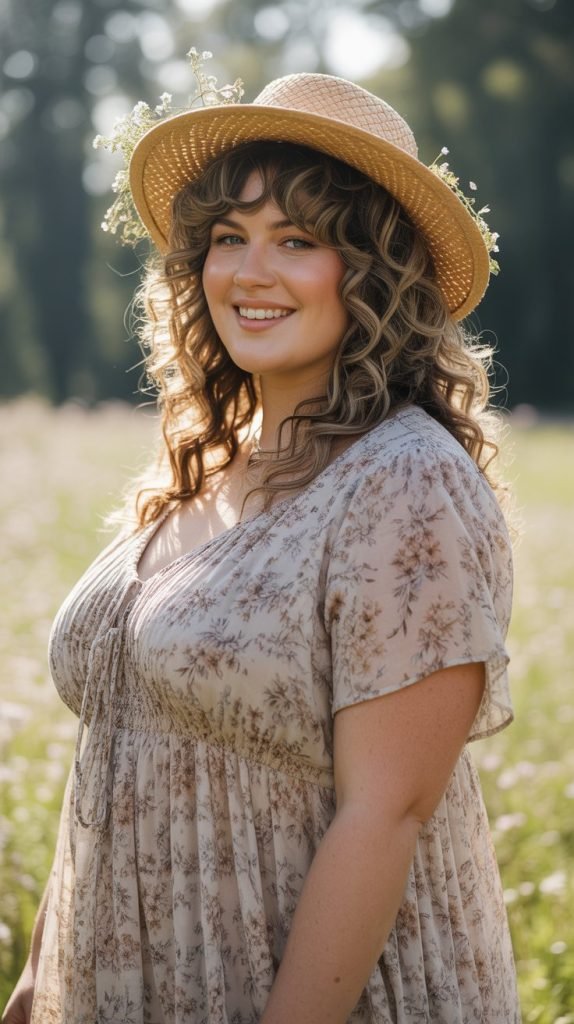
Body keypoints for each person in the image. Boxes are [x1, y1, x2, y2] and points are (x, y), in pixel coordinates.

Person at [3, 68, 520, 1024]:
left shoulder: (402, 482)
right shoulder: (201, 463)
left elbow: (386, 814)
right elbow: (111, 756)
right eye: (228, 240)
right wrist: (39, 985)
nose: (251, 273)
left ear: (375, 272)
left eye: (300, 241)